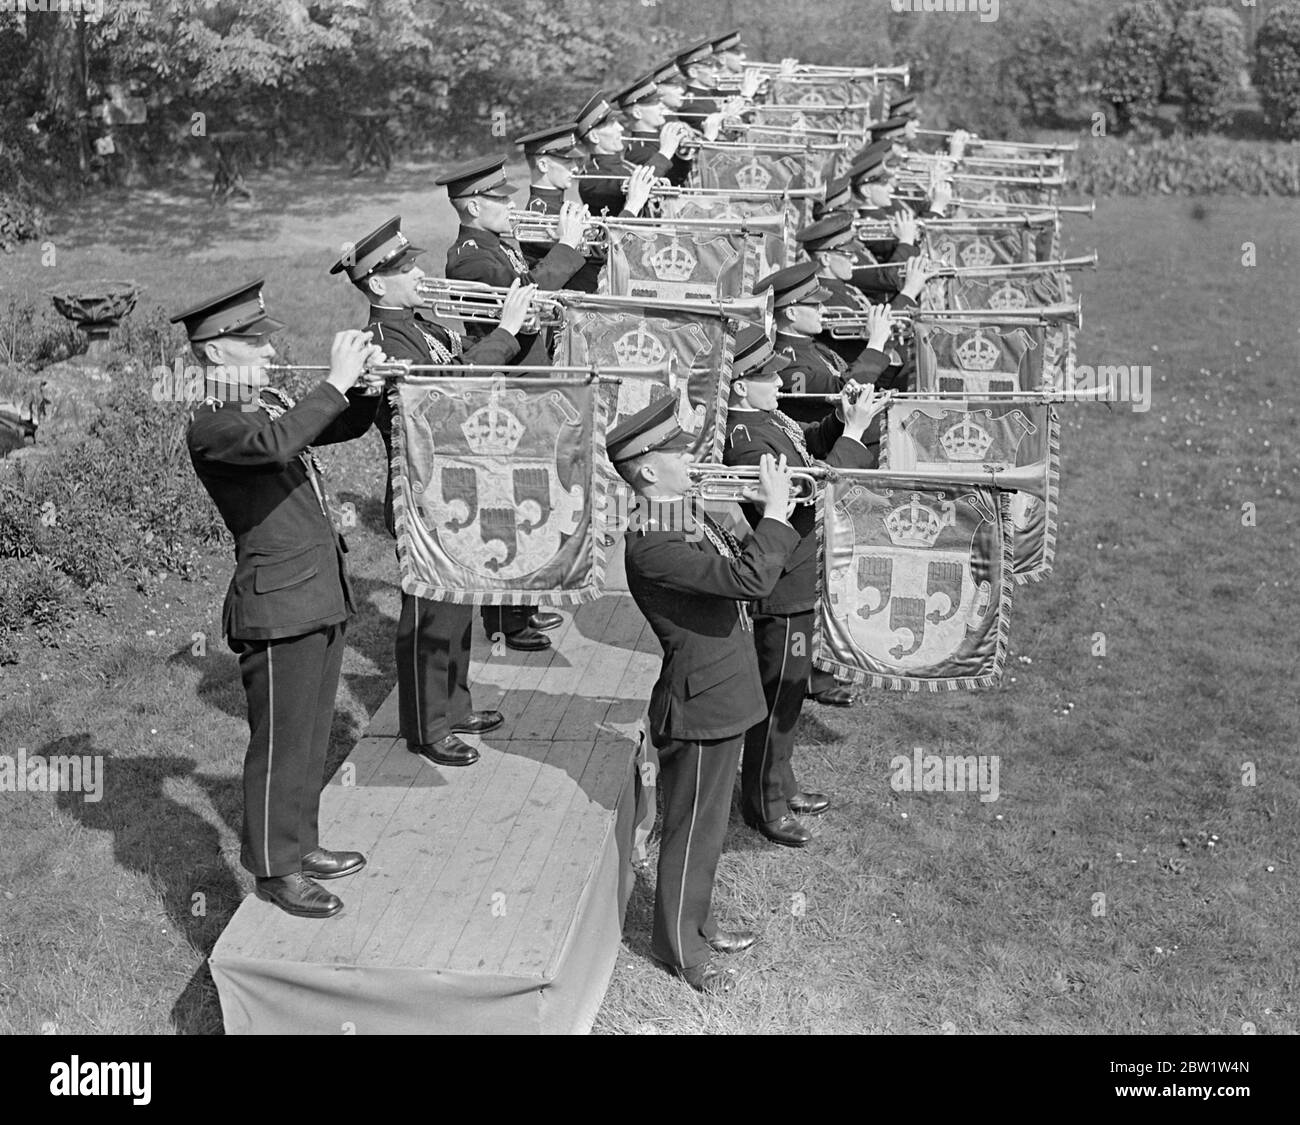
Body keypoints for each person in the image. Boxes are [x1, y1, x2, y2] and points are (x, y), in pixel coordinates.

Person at [175, 279, 382, 919]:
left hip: (316, 589)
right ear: (213, 354)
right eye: (253, 343)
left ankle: (302, 843)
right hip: (277, 603)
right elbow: (279, 444)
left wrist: (364, 392)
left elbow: (325, 426)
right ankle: (273, 868)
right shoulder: (214, 424)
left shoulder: (262, 402)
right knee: (279, 740)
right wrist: (334, 381)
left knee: (311, 730)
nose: (269, 353)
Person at [610, 395, 800, 993]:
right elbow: (748, 579)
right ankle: (680, 949)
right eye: (673, 451)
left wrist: (751, 503)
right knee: (690, 830)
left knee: (710, 828)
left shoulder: (678, 512)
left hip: (723, 689)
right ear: (645, 470)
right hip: (699, 703)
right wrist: (775, 516)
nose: (687, 457)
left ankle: (700, 921)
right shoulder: (652, 540)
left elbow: (735, 553)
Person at [331, 217, 534, 772]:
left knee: (459, 598)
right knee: (429, 606)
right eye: (404, 269)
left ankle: (456, 704)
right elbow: (447, 388)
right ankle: (426, 725)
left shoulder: (415, 323)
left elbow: (460, 358)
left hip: (455, 474)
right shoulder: (385, 338)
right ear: (377, 284)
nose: (419, 273)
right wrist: (506, 333)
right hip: (422, 482)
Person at [723, 325, 893, 846]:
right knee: (778, 696)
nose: (780, 381)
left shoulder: (766, 417)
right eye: (767, 375)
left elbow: (807, 445)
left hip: (797, 575)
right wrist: (853, 436)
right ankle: (764, 804)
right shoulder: (746, 439)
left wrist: (840, 422)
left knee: (792, 693)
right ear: (736, 385)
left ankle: (781, 779)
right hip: (781, 585)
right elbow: (806, 493)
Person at [439, 155, 585, 651]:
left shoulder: (496, 244)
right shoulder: (473, 258)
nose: (510, 204)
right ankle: (504, 621)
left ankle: (521, 605)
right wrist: (566, 248)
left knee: (530, 496)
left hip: (526, 379)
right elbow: (522, 310)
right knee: (505, 502)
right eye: (501, 199)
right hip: (506, 384)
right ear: (475, 205)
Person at [513, 123, 603, 291]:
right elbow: (600, 253)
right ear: (543, 165)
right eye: (567, 161)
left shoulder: (559, 207)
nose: (575, 167)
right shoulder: (540, 215)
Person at [573, 91, 658, 221]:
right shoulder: (590, 177)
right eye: (612, 124)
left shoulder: (625, 165)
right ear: (595, 137)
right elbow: (622, 186)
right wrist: (667, 151)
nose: (620, 128)